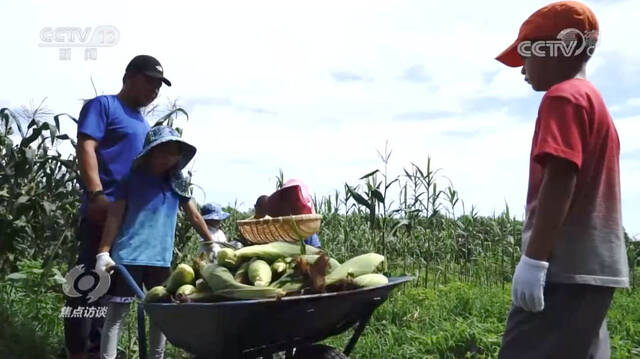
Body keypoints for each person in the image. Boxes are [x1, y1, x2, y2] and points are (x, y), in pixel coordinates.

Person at [495, 2, 629, 358]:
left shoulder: (563, 98)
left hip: (564, 269)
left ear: (557, 50)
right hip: (595, 269)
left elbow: (561, 177)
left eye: (526, 54)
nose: (522, 67)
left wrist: (535, 261)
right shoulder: (594, 102)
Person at [65, 54, 171, 359]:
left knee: (111, 297)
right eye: (149, 82)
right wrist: (96, 194)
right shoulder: (104, 106)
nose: (154, 91)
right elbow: (86, 146)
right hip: (102, 213)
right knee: (86, 290)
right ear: (129, 77)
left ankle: (100, 353)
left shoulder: (143, 124)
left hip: (127, 226)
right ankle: (77, 353)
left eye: (158, 86)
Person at [94, 126, 214, 359]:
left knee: (161, 315)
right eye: (164, 151)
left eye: (173, 152)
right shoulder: (130, 179)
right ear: (151, 152)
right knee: (117, 314)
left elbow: (194, 215)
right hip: (129, 256)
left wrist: (212, 243)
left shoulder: (177, 183)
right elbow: (115, 216)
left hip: (160, 259)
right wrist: (103, 252)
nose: (169, 157)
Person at [253, 179, 321, 248]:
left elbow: (318, 251)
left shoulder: (306, 230)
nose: (290, 208)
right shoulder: (274, 229)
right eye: (287, 201)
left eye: (293, 204)